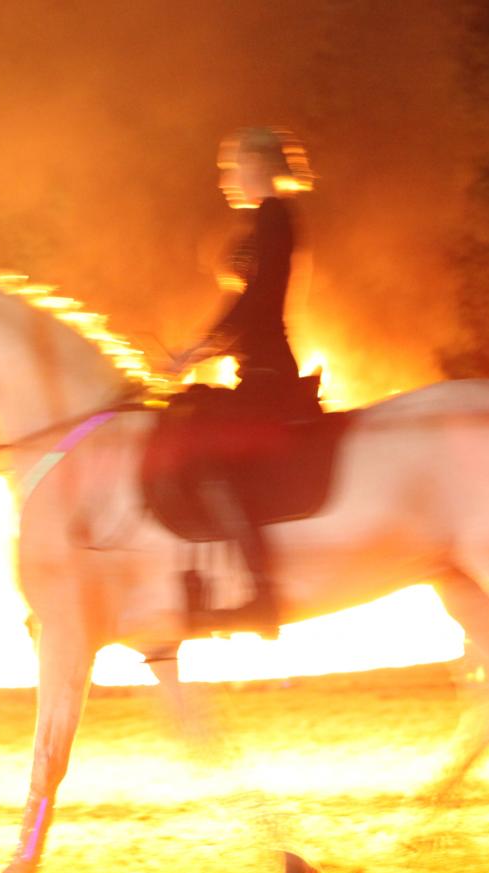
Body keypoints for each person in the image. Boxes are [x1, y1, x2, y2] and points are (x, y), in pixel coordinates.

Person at [171, 127, 316, 635]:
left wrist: (199, 350)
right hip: (255, 369)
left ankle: (262, 592)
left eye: (231, 168)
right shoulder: (266, 219)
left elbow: (257, 304)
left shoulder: (275, 216)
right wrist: (199, 349)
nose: (225, 180)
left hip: (269, 375)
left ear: (256, 165)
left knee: (210, 453)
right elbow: (244, 303)